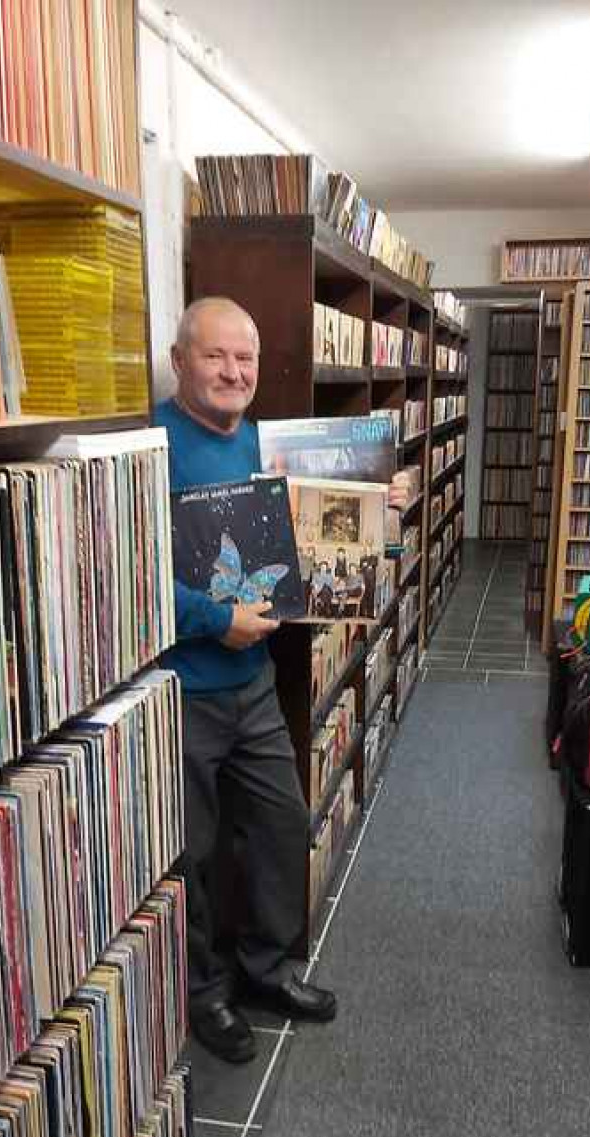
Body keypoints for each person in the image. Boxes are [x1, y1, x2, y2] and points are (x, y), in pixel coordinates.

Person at [156, 297, 410, 1063]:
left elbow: (328, 554)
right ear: (179, 359)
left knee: (279, 827)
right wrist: (210, 618)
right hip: (182, 692)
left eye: (247, 360)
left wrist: (381, 514)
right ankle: (205, 994)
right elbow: (119, 570)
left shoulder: (273, 446)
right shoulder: (145, 448)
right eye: (216, 356)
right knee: (193, 855)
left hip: (254, 684)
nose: (234, 372)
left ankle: (265, 972)